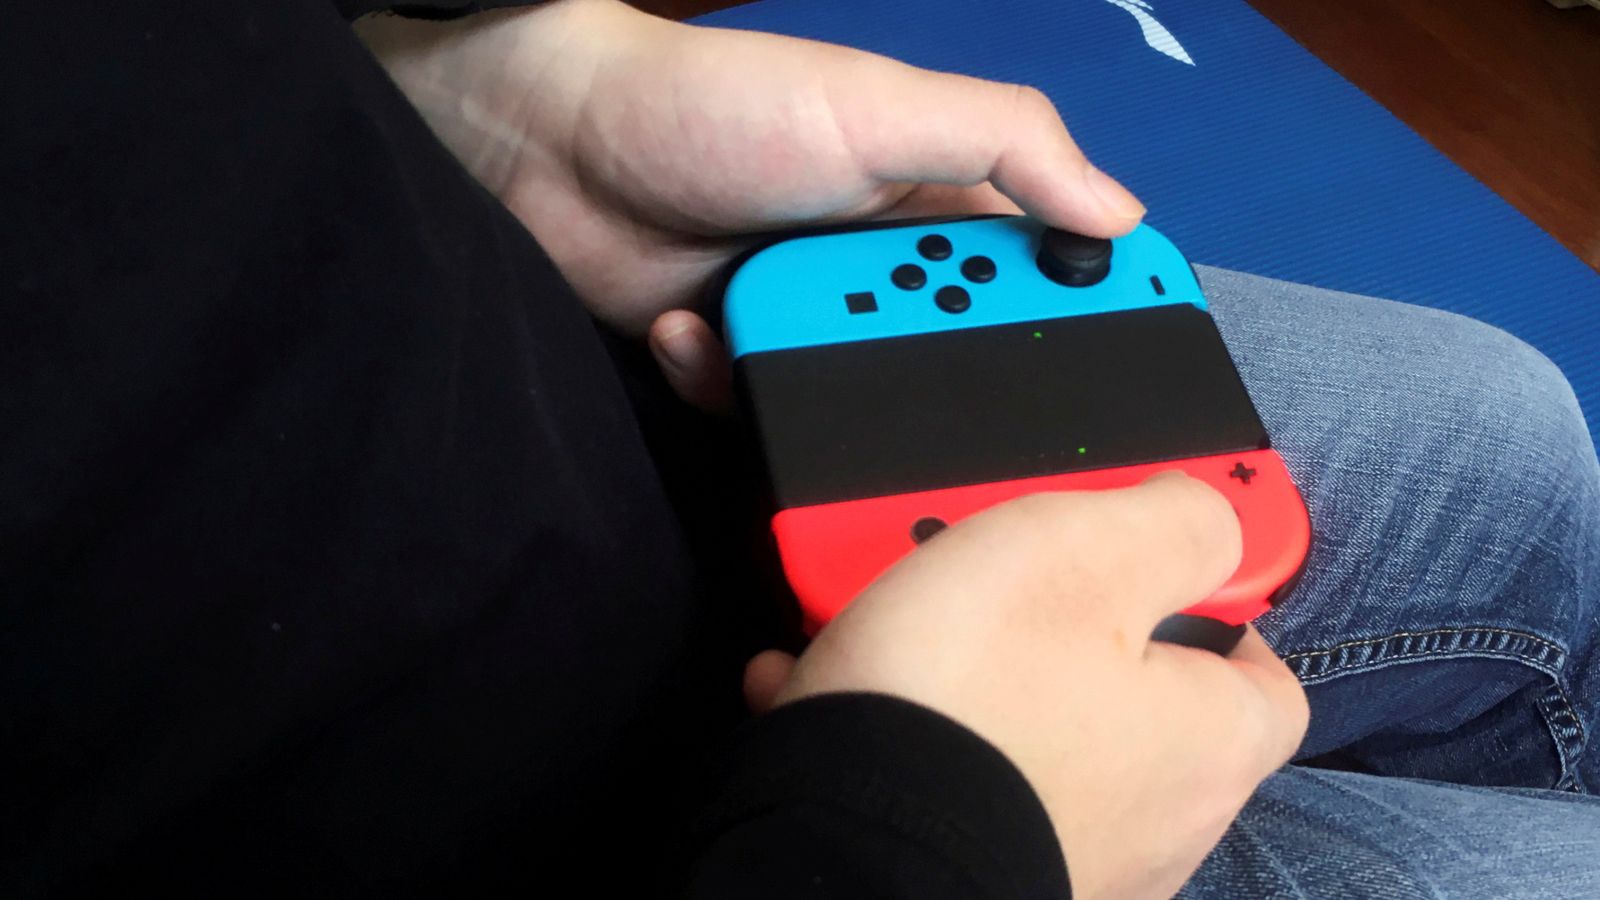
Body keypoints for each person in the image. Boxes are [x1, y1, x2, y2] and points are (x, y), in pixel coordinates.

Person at [3, 0, 1597, 896]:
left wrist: (462, 101)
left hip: (568, 381)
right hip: (699, 837)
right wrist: (927, 840)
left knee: (1500, 427)